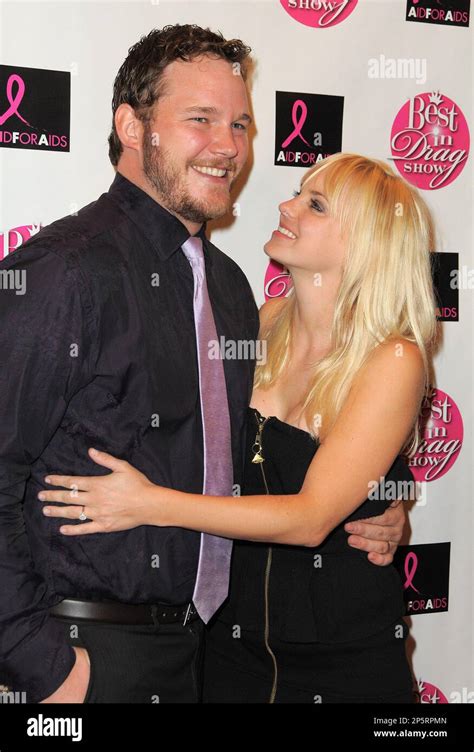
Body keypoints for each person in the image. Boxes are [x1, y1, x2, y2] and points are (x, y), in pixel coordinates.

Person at [0, 24, 406, 704]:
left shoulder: (229, 287)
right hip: (88, 657)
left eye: (241, 124)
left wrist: (387, 495)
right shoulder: (65, 271)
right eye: (201, 120)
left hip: (211, 658)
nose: (229, 147)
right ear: (133, 127)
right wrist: (42, 667)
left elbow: (293, 438)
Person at [38, 152, 437, 703]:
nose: (286, 204)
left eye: (314, 204)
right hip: (229, 646)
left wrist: (149, 503)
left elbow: (309, 519)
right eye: (299, 192)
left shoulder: (393, 358)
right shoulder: (260, 319)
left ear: (364, 242)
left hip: (344, 657)